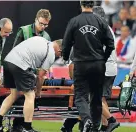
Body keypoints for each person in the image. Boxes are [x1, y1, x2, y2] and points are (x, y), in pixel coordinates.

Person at [62, 0, 115, 131]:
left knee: (80, 96)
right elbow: (110, 44)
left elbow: (66, 44)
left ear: (81, 5)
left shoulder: (74, 21)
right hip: (98, 64)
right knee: (96, 98)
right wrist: (103, 58)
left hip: (81, 63)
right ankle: (95, 128)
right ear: (92, 5)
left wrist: (65, 57)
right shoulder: (101, 22)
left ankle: (86, 120)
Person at [0, 36, 62, 132]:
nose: (60, 56)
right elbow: (41, 76)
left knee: (13, 95)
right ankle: (27, 127)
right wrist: (38, 92)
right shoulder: (51, 54)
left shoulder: (40, 39)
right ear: (59, 48)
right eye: (60, 53)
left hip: (8, 62)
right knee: (30, 95)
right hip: (20, 64)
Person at [11, 9, 51, 131]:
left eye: (46, 24)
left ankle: (22, 126)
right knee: (22, 98)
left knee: (28, 99)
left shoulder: (47, 36)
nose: (43, 27)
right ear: (35, 20)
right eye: (41, 23)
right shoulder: (24, 31)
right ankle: (20, 126)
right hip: (21, 71)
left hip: (34, 74)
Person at [92, 6, 120, 132]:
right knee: (101, 98)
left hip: (104, 69)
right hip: (111, 68)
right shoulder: (107, 28)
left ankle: (111, 120)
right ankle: (105, 126)